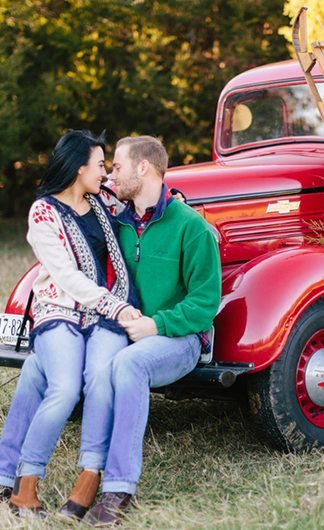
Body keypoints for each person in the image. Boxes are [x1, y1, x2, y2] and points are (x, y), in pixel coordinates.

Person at [0, 129, 140, 518]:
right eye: (100, 164)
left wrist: (177, 204)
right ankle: (26, 487)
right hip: (60, 312)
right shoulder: (43, 212)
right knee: (64, 387)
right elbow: (67, 276)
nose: (105, 173)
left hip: (104, 316)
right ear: (78, 167)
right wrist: (116, 307)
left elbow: (142, 206)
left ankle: (88, 481)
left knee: (101, 378)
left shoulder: (102, 200)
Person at [81, 135, 221, 526]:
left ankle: (119, 490)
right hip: (127, 332)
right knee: (92, 362)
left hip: (181, 339)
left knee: (129, 365)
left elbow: (205, 303)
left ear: (144, 168)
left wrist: (155, 324)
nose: (111, 173)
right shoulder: (118, 225)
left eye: (118, 166)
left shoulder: (191, 227)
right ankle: (86, 472)